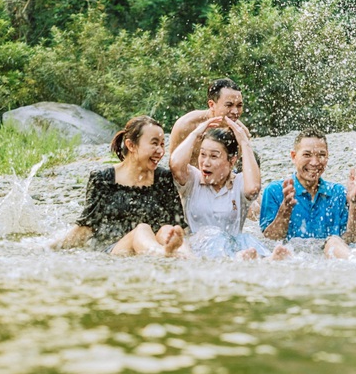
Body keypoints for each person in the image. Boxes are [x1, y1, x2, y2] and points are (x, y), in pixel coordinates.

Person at [53, 116, 189, 257]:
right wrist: (47, 248)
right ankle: (163, 254)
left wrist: (175, 235)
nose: (160, 151)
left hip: (153, 243)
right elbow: (86, 228)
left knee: (168, 229)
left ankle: (191, 260)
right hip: (114, 249)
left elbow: (179, 226)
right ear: (131, 145)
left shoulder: (163, 178)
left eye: (162, 144)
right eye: (154, 143)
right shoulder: (103, 179)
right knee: (142, 229)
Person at [170, 116, 289, 260]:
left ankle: (267, 259)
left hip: (233, 244)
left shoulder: (239, 182)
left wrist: (244, 142)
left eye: (214, 156)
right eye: (203, 155)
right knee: (215, 235)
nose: (205, 163)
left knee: (245, 239)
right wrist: (196, 133)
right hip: (200, 248)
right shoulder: (193, 179)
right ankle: (240, 258)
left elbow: (253, 188)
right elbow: (175, 165)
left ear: (232, 162)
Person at [259, 128, 350, 241]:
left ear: (327, 157)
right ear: (294, 156)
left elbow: (351, 240)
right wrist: (285, 209)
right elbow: (270, 240)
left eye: (321, 155)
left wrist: (354, 203)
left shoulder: (338, 193)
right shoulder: (275, 191)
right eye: (307, 155)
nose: (315, 162)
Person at [170, 78, 251, 168]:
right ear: (212, 105)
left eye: (239, 106)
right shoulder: (186, 125)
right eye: (229, 105)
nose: (235, 111)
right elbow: (173, 165)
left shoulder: (241, 133)